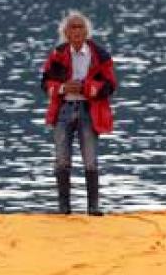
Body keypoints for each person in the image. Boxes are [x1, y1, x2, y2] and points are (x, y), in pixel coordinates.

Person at [39, 11, 117, 215]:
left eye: (80, 27)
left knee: (90, 159)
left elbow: (110, 85)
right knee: (61, 159)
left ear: (86, 31)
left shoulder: (100, 55)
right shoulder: (57, 54)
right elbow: (45, 83)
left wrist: (85, 88)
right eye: (72, 27)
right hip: (63, 109)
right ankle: (64, 207)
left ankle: (93, 207)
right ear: (65, 32)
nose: (76, 31)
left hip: (89, 110)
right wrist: (64, 88)